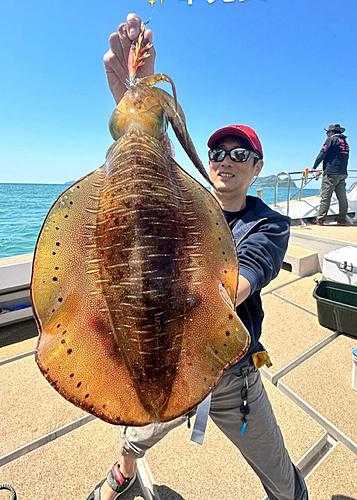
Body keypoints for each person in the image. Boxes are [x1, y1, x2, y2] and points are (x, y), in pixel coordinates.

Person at [87, 14, 308, 500]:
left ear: (257, 166)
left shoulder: (269, 224)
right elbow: (139, 192)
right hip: (164, 359)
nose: (226, 159)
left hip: (230, 375)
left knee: (279, 473)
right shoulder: (181, 203)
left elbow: (241, 282)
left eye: (239, 153)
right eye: (218, 152)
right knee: (138, 432)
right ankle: (123, 471)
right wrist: (137, 113)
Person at [311, 124, 350, 226]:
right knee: (342, 198)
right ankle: (342, 220)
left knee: (326, 197)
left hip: (331, 173)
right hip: (342, 172)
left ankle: (320, 220)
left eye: (327, 132)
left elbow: (322, 153)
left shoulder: (331, 140)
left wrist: (314, 167)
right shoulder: (345, 142)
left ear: (331, 132)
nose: (327, 135)